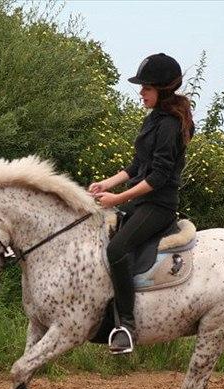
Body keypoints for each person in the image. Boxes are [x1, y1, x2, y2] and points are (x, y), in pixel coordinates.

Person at [89, 53, 195, 354]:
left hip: (158, 206)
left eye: (146, 88)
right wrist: (106, 184)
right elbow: (138, 166)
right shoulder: (155, 120)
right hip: (141, 201)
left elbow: (159, 177)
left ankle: (127, 326)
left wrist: (118, 198)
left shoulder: (171, 125)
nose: (140, 93)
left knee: (117, 249)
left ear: (161, 90)